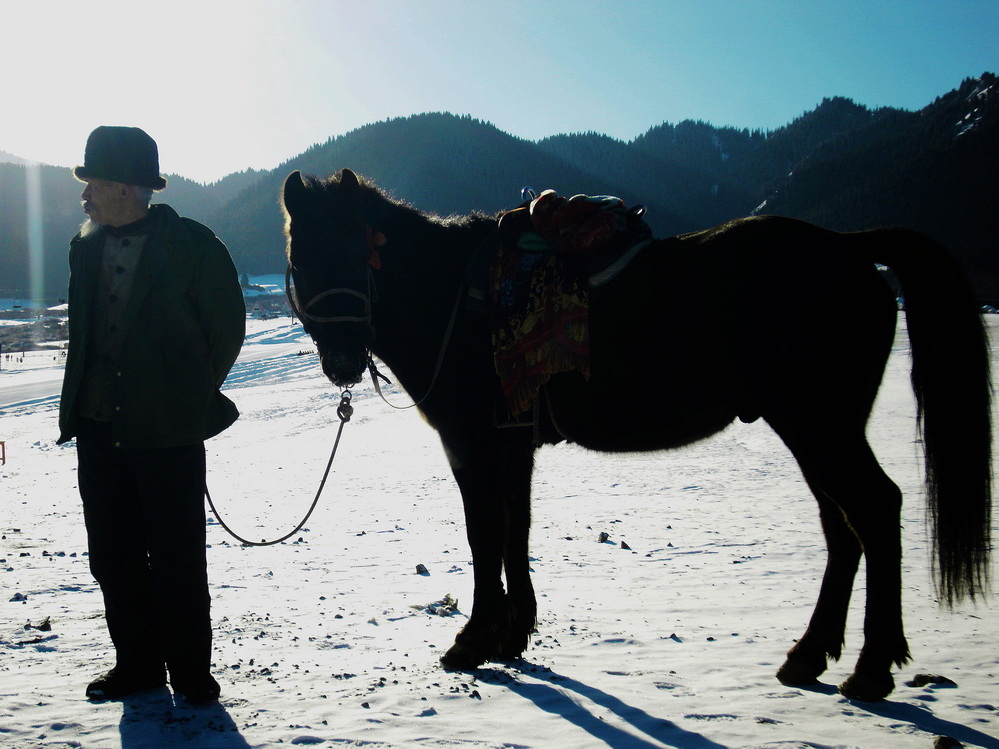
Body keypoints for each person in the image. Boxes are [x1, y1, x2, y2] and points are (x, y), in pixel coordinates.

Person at [57, 126, 245, 704]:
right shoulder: (83, 248)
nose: (84, 196)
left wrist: (184, 395)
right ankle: (137, 666)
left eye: (92, 184)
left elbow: (226, 332)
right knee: (112, 558)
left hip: (169, 434)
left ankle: (191, 672)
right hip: (98, 431)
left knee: (177, 559)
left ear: (123, 188)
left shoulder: (195, 246)